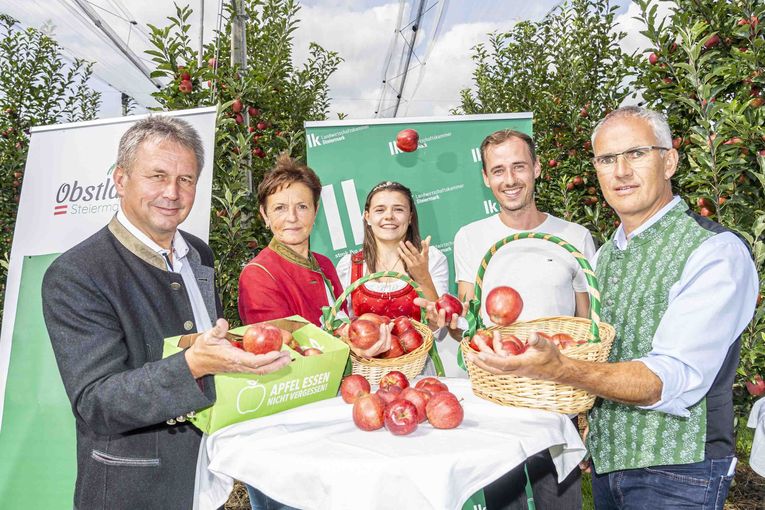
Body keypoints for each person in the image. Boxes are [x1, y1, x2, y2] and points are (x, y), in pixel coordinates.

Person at [468, 106, 758, 509]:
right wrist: (588, 418)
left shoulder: (713, 251)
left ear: (669, 160)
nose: (621, 171)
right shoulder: (605, 255)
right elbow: (604, 349)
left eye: (637, 153)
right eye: (607, 159)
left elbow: (670, 377)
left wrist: (561, 369)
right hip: (609, 466)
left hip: (680, 472)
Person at [41, 116, 291, 510]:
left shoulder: (198, 253)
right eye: (157, 176)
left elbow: (204, 341)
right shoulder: (77, 274)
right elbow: (97, 402)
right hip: (136, 491)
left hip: (203, 478)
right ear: (121, 180)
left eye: (186, 179)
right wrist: (192, 364)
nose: (172, 192)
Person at [448, 128, 595, 509]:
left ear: (537, 168)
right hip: (498, 396)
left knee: (560, 499)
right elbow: (468, 320)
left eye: (518, 167)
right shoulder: (470, 237)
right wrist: (444, 313)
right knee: (503, 500)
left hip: (554, 395)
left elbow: (586, 323)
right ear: (485, 178)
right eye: (498, 170)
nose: (509, 179)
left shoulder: (574, 236)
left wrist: (584, 400)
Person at [238, 155, 391, 510]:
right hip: (286, 421)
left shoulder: (323, 264)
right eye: (279, 208)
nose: (291, 217)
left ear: (315, 211)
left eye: (301, 206)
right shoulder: (259, 273)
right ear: (264, 215)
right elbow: (282, 352)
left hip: (328, 407)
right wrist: (354, 346)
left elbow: (340, 322)